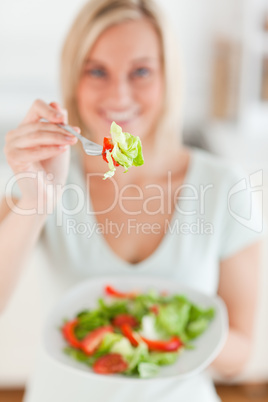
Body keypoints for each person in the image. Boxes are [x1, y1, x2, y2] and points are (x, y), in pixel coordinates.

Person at [0, 0, 263, 401]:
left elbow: (238, 357)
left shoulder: (226, 187)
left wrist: (157, 328)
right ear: (74, 78)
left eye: (141, 71)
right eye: (97, 71)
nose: (119, 95)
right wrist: (36, 201)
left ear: (168, 77)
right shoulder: (43, 177)